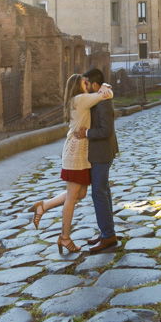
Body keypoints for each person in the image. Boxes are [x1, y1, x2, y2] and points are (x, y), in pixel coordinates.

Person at [30, 72, 113, 254]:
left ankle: (43, 206)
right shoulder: (81, 99)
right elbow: (106, 94)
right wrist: (105, 87)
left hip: (79, 153)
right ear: (79, 86)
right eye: (85, 83)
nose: (88, 85)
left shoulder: (76, 100)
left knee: (79, 193)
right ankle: (65, 237)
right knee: (72, 196)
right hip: (75, 153)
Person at [84, 66, 119, 253]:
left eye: (87, 83)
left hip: (102, 153)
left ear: (95, 84)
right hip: (101, 152)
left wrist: (86, 133)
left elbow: (106, 131)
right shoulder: (100, 96)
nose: (85, 86)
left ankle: (108, 236)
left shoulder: (103, 100)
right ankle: (107, 232)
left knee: (99, 192)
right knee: (103, 192)